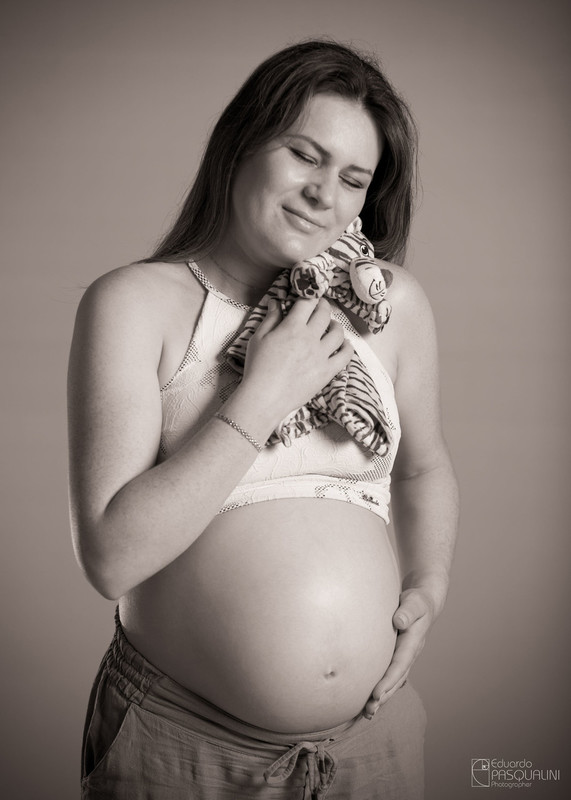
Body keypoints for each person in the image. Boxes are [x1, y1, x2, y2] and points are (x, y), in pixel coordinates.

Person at [68, 39, 459, 799]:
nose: (324, 194)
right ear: (241, 144)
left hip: (373, 744)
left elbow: (424, 465)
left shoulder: (392, 306)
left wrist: (428, 587)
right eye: (303, 155)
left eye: (352, 179)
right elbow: (111, 557)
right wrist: (261, 395)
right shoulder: (134, 304)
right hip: (185, 746)